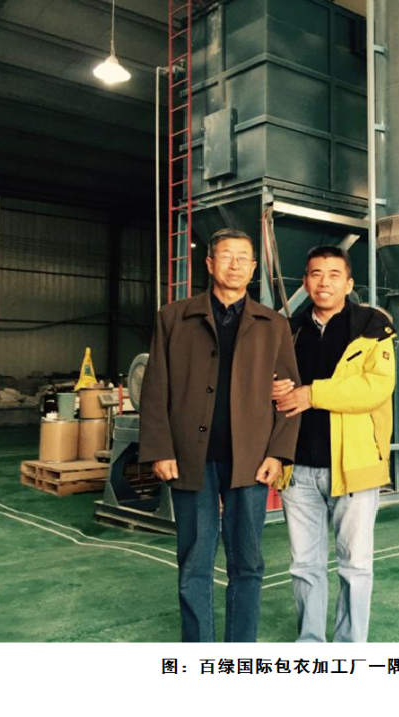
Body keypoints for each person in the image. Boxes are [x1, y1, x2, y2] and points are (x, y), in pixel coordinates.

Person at [139, 228, 300, 642]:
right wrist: (159, 449)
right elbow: (155, 388)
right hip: (190, 458)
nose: (235, 264)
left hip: (251, 459)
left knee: (248, 561)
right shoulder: (174, 318)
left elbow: (289, 396)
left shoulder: (274, 325)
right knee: (195, 559)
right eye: (226, 256)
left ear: (253, 268)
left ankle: (240, 648)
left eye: (243, 257)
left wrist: (278, 454)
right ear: (210, 264)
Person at [273, 245, 396, 642]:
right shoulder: (289, 330)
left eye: (333, 275)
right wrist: (273, 389)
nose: (323, 282)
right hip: (298, 468)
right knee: (304, 565)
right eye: (315, 274)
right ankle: (310, 644)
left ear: (348, 283)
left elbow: (375, 388)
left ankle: (349, 649)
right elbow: (271, 384)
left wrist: (313, 394)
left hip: (354, 467)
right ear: (305, 281)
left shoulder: (372, 326)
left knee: (355, 565)